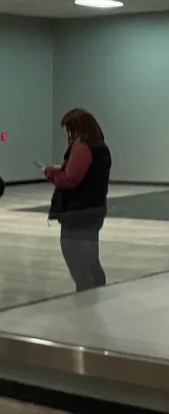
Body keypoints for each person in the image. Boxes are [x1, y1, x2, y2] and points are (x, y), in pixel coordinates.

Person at [43, 108, 111, 292]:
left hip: (78, 210)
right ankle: (97, 287)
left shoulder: (82, 147)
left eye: (69, 129)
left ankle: (85, 290)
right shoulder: (100, 146)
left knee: (73, 252)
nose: (68, 134)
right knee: (90, 253)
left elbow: (69, 180)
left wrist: (51, 174)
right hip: (95, 208)